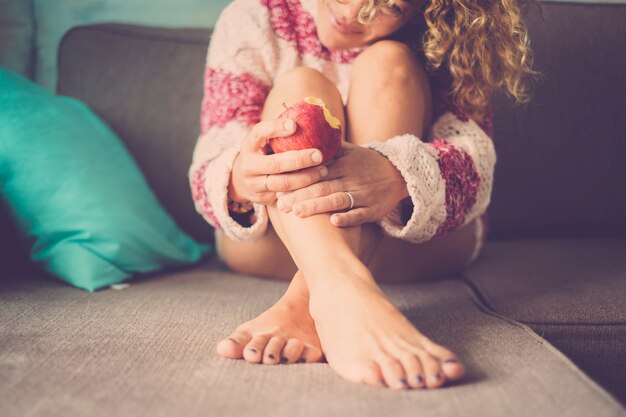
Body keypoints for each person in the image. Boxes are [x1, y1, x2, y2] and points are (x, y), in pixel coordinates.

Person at [189, 0, 538, 390]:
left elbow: (477, 164)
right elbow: (207, 167)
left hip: (408, 246)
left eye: (389, 4)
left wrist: (397, 175)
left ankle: (316, 295)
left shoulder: (447, 35)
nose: (353, 12)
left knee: (389, 62)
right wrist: (240, 176)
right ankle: (343, 290)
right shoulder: (254, 19)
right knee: (300, 88)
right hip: (274, 243)